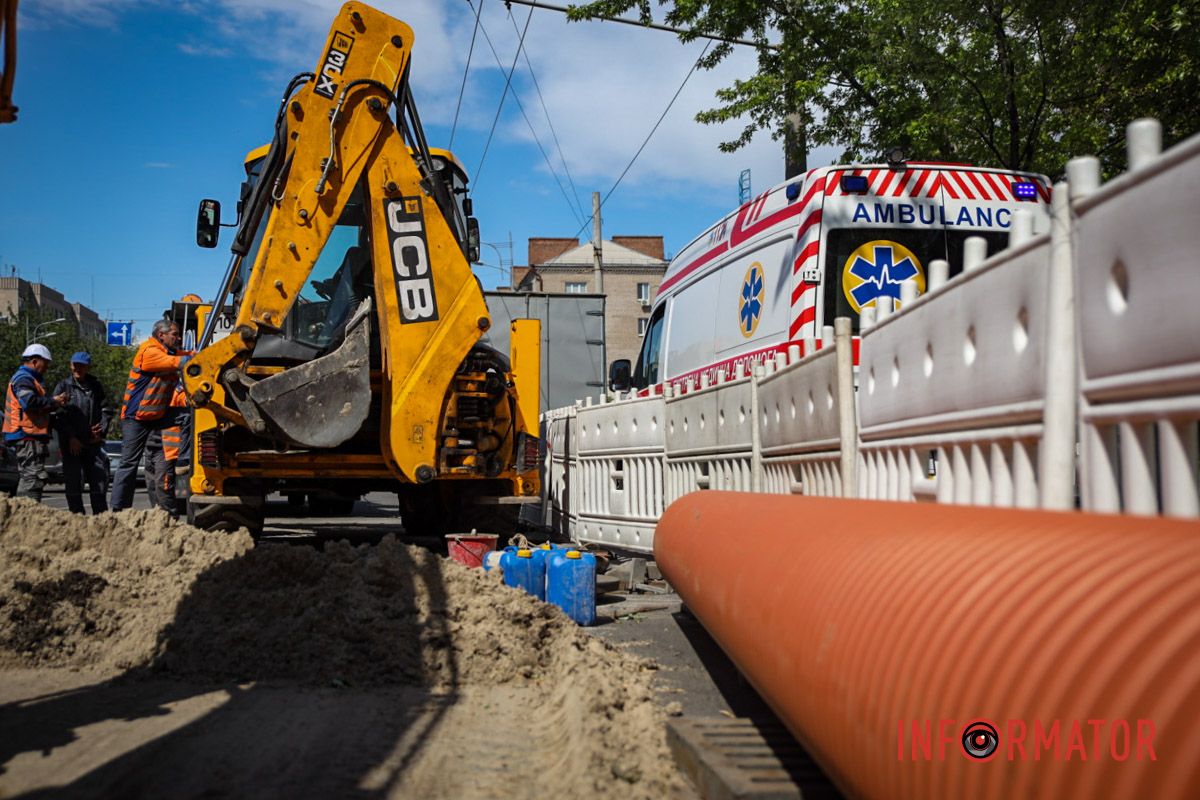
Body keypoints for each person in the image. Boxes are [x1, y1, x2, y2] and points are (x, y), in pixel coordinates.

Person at [110, 319, 190, 512]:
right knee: (129, 463)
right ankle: (119, 509)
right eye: (175, 334)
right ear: (161, 335)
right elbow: (177, 361)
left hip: (157, 415)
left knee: (189, 414)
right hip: (136, 417)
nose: (178, 338)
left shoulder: (168, 351)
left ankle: (184, 461)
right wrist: (190, 359)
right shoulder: (149, 352)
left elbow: (187, 355)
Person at [3, 343, 68, 501]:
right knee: (32, 478)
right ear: (34, 361)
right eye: (45, 363)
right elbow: (29, 402)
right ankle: (27, 517)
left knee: (30, 477)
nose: (46, 367)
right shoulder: (24, 378)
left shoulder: (30, 379)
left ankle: (25, 515)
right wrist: (53, 401)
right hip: (26, 435)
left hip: (29, 435)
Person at [52, 351, 113, 514]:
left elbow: (107, 409)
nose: (78, 368)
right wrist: (71, 436)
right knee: (73, 481)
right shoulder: (63, 386)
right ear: (71, 366)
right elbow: (57, 415)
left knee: (99, 481)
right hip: (72, 445)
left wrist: (101, 429)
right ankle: (76, 519)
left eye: (82, 366)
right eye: (75, 365)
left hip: (93, 443)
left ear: (88, 367)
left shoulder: (96, 386)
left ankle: (101, 520)